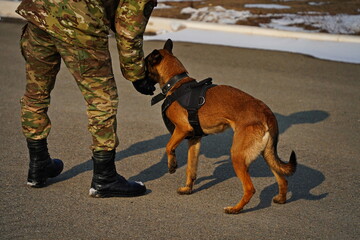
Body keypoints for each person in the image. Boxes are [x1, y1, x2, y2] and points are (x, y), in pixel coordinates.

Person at [16, 0, 157, 197]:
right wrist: (136, 74)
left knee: (36, 93)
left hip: (40, 13)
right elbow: (129, 30)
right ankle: (104, 179)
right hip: (79, 24)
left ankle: (38, 165)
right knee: (102, 100)